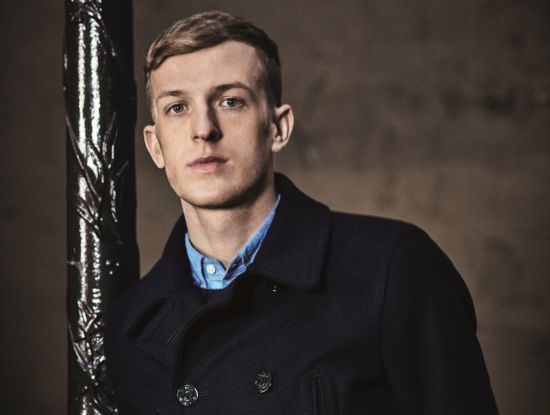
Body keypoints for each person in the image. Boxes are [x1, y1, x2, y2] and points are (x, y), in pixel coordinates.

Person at [105, 10, 499, 415]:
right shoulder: (131, 326)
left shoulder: (393, 269)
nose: (203, 129)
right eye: (177, 107)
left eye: (231, 101)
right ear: (155, 146)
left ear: (278, 128)